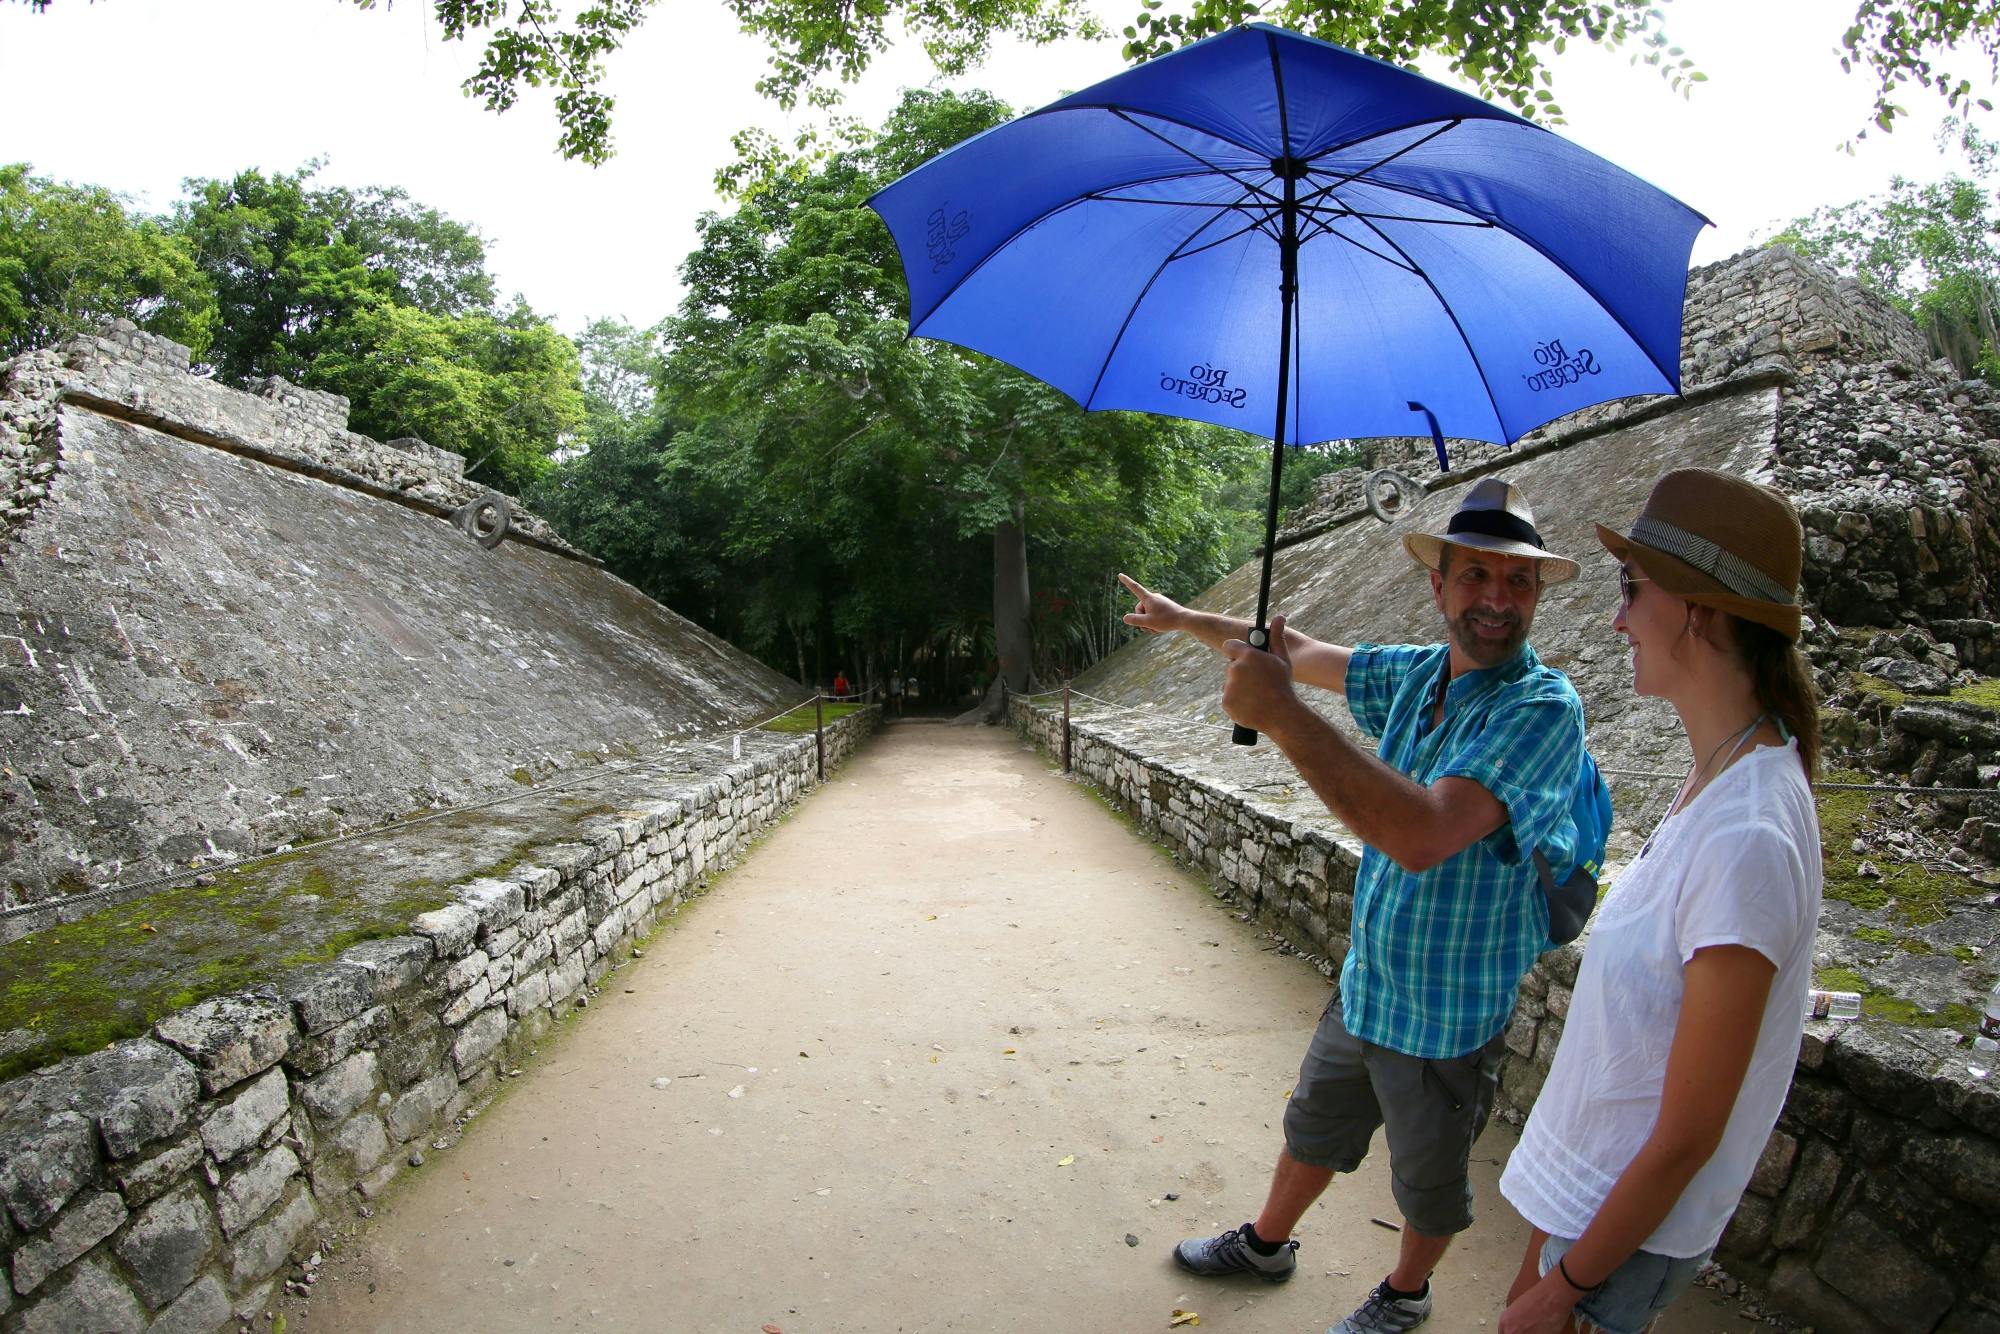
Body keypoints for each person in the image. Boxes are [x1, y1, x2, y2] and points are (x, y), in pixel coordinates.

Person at [1121, 476, 1589, 1334]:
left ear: (1535, 597)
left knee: (1429, 1178)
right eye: (1476, 577)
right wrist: (1187, 619)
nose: (1497, 600)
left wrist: (1286, 719)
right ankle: (1267, 1244)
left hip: (1446, 1015)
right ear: (1437, 585)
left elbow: (1424, 834)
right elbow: (1290, 650)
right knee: (1314, 1127)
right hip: (1371, 979)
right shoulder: (1416, 677)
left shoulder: (1541, 708)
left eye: (1517, 582)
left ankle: (1407, 1295)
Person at [1496, 469, 1823, 1334]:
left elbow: (1686, 1136)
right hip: (1590, 1203)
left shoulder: (1748, 835)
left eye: (1630, 590)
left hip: (1616, 1244)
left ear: (1698, 609)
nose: (1616, 619)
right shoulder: (1718, 778)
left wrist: (1564, 1286)